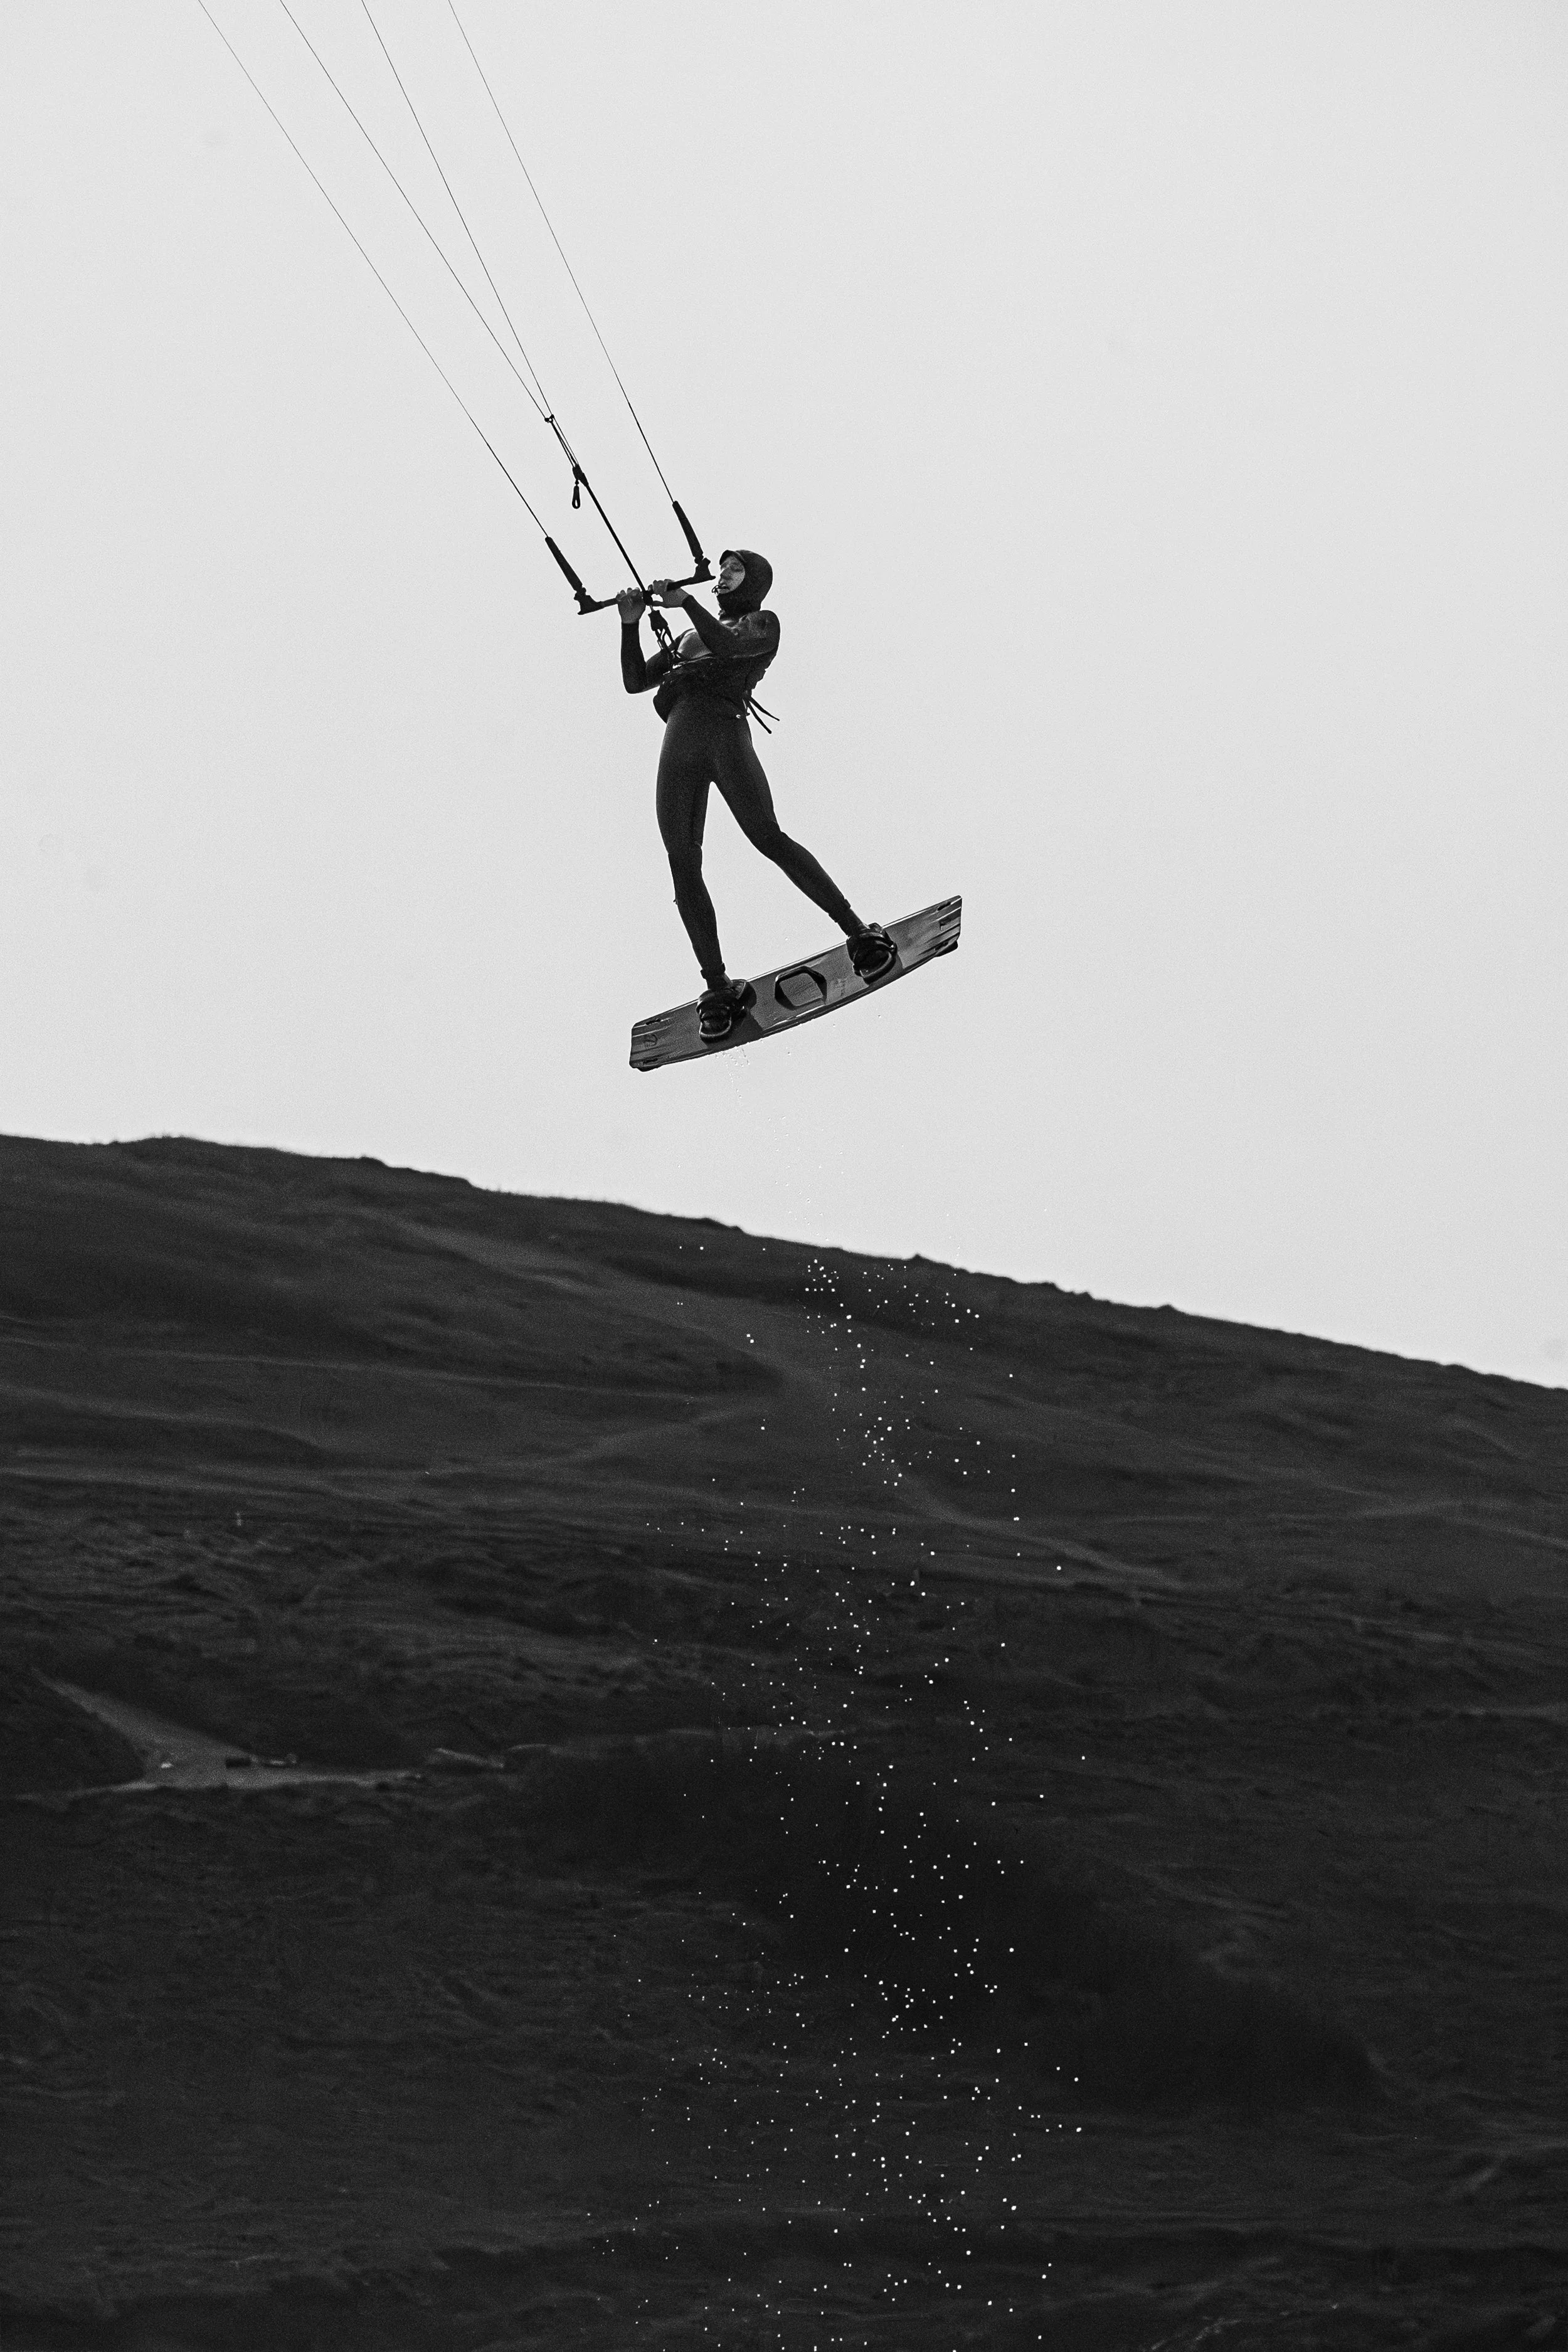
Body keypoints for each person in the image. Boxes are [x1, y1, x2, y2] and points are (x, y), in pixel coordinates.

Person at [618, 549, 894, 1041]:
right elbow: (636, 681)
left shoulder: (762, 624)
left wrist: (684, 602)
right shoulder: (687, 635)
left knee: (767, 837)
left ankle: (858, 932)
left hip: (725, 734)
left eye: (734, 570)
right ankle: (717, 987)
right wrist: (630, 622)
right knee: (681, 860)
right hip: (679, 741)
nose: (723, 577)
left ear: (754, 583)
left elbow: (729, 647)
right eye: (722, 570)